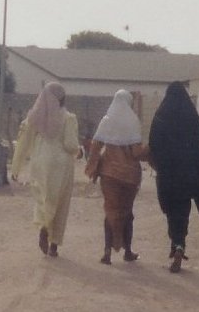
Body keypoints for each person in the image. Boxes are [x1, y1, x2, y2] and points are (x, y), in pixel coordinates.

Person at [11, 82, 80, 257]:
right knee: (60, 202)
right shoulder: (68, 118)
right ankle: (54, 244)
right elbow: (70, 144)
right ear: (63, 98)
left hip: (40, 161)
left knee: (43, 197)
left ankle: (43, 226)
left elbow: (23, 141)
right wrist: (79, 152)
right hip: (61, 164)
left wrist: (16, 166)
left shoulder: (34, 117)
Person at [149, 81, 199, 273]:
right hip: (187, 173)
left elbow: (153, 145)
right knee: (183, 211)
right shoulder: (191, 116)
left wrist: (158, 165)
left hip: (167, 173)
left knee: (170, 210)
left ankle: (174, 243)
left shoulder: (160, 116)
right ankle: (180, 244)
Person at [85, 89, 149, 265]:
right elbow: (137, 152)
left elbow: (96, 146)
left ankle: (107, 252)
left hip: (109, 175)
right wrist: (150, 152)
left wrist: (92, 167)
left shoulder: (107, 120)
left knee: (111, 211)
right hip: (130, 176)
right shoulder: (133, 121)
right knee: (126, 212)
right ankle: (127, 251)